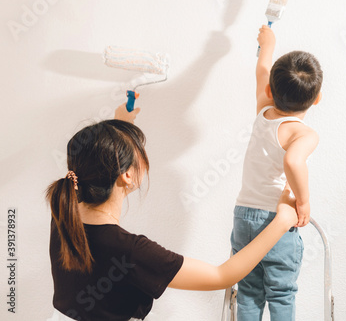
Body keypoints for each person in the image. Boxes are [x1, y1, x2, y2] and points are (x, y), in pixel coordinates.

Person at [45, 103, 299, 321]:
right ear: (127, 175)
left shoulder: (64, 216)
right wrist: (281, 221)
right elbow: (222, 276)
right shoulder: (131, 251)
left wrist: (121, 123)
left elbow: (99, 161)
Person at [230, 25, 323, 321]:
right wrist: (303, 201)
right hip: (275, 221)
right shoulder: (303, 134)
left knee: (248, 290)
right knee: (281, 293)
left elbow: (262, 70)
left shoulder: (262, 110)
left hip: (243, 215)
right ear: (317, 97)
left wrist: (267, 43)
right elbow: (294, 163)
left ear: (271, 90)